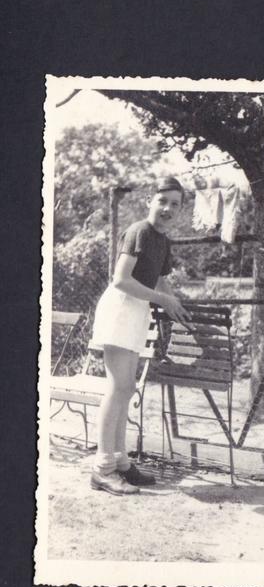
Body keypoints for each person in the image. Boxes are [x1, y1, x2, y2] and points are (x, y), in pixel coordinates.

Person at [90, 176, 190, 496]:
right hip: (120, 308)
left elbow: (162, 285)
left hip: (137, 313)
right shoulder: (139, 232)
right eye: (163, 201)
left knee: (127, 387)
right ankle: (102, 469)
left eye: (175, 204)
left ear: (181, 209)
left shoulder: (164, 241)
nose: (167, 209)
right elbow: (120, 280)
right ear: (150, 200)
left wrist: (177, 309)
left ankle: (120, 462)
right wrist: (164, 300)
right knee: (119, 387)